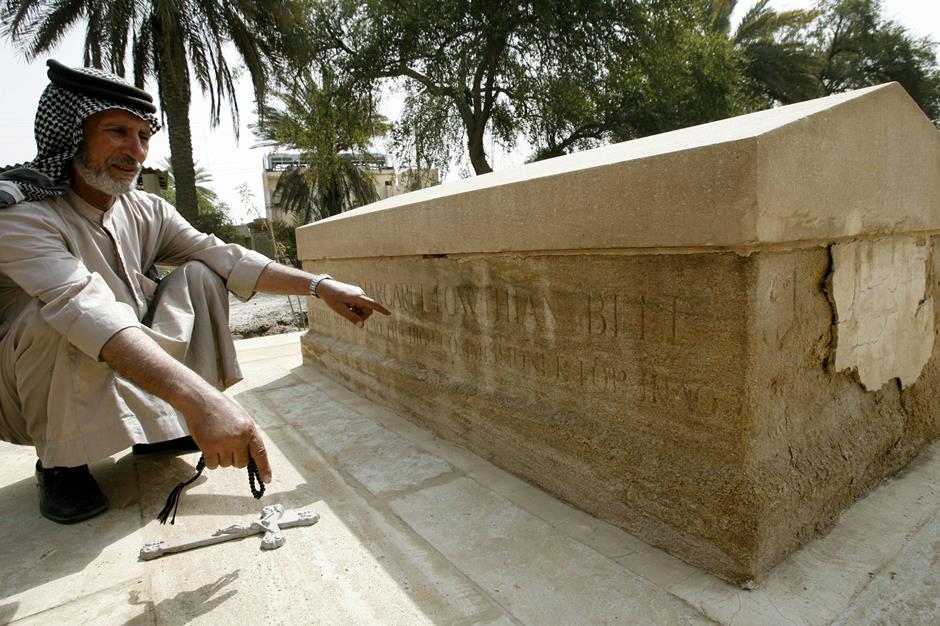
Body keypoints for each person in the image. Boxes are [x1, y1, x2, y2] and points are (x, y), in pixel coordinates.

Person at [0, 60, 391, 524]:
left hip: (119, 352)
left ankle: (167, 428)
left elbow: (222, 256)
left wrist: (319, 285)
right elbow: (84, 309)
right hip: (30, 383)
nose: (136, 151)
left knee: (202, 273)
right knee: (57, 317)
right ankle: (61, 463)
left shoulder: (144, 208)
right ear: (71, 133)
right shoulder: (22, 215)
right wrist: (204, 400)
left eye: (144, 136)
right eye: (118, 132)